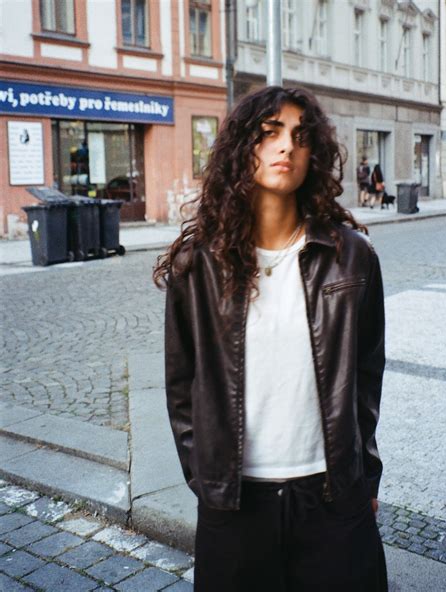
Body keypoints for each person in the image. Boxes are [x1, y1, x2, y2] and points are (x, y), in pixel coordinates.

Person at [153, 86, 387, 592]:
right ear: (243, 149)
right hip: (235, 504)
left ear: (314, 154)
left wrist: (364, 475)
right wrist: (205, 477)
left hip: (333, 497)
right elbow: (182, 385)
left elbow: (367, 376)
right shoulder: (199, 265)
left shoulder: (352, 258)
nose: (286, 146)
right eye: (270, 133)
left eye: (301, 137)